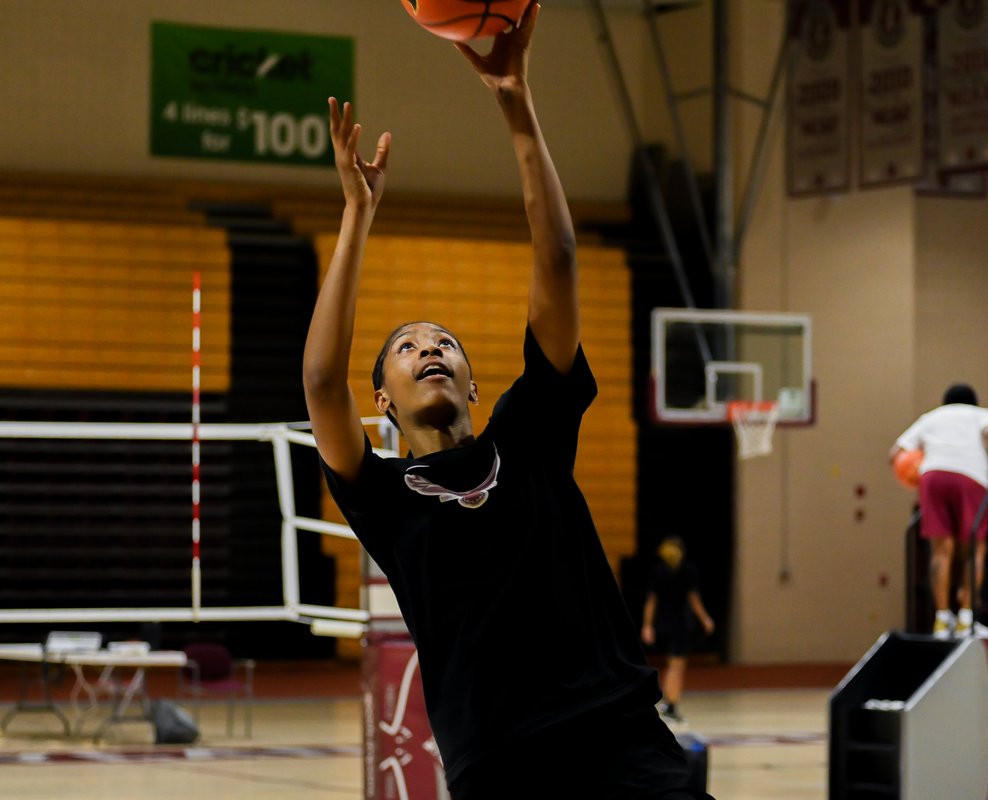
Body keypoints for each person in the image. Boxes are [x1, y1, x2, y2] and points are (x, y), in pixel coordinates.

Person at [302, 7, 714, 799]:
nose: (429, 348)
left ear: (474, 383)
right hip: (501, 772)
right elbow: (322, 383)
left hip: (624, 743)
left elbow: (556, 256)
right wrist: (358, 215)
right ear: (383, 399)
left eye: (444, 342)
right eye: (407, 346)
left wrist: (516, 102)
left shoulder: (529, 436)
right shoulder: (383, 498)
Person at [890, 383, 988, 640]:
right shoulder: (982, 414)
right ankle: (966, 619)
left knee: (941, 551)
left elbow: (896, 452)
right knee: (974, 548)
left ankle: (941, 620)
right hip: (970, 476)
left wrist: (913, 472)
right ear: (974, 401)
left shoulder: (931, 417)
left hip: (932, 475)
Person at [641, 536, 714, 724]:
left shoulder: (659, 571)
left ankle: (669, 704)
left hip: (664, 624)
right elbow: (694, 599)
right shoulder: (687, 570)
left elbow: (651, 601)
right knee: (677, 667)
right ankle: (671, 705)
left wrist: (648, 625)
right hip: (681, 624)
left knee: (673, 665)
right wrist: (705, 619)